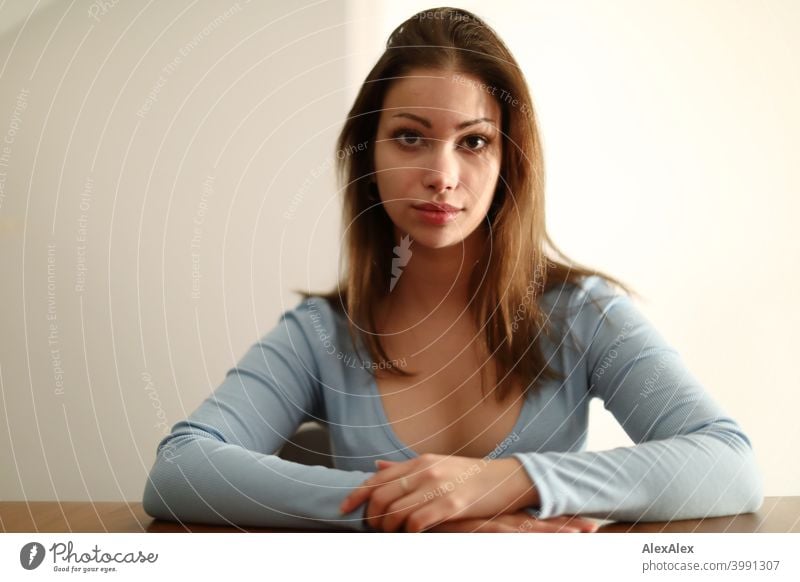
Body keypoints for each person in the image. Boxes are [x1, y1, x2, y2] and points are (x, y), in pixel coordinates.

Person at [142, 6, 763, 533]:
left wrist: (508, 481)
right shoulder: (323, 334)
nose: (442, 174)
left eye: (473, 141)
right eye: (410, 136)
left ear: (509, 161)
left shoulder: (582, 315)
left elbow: (729, 465)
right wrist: (410, 513)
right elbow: (179, 471)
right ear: (369, 154)